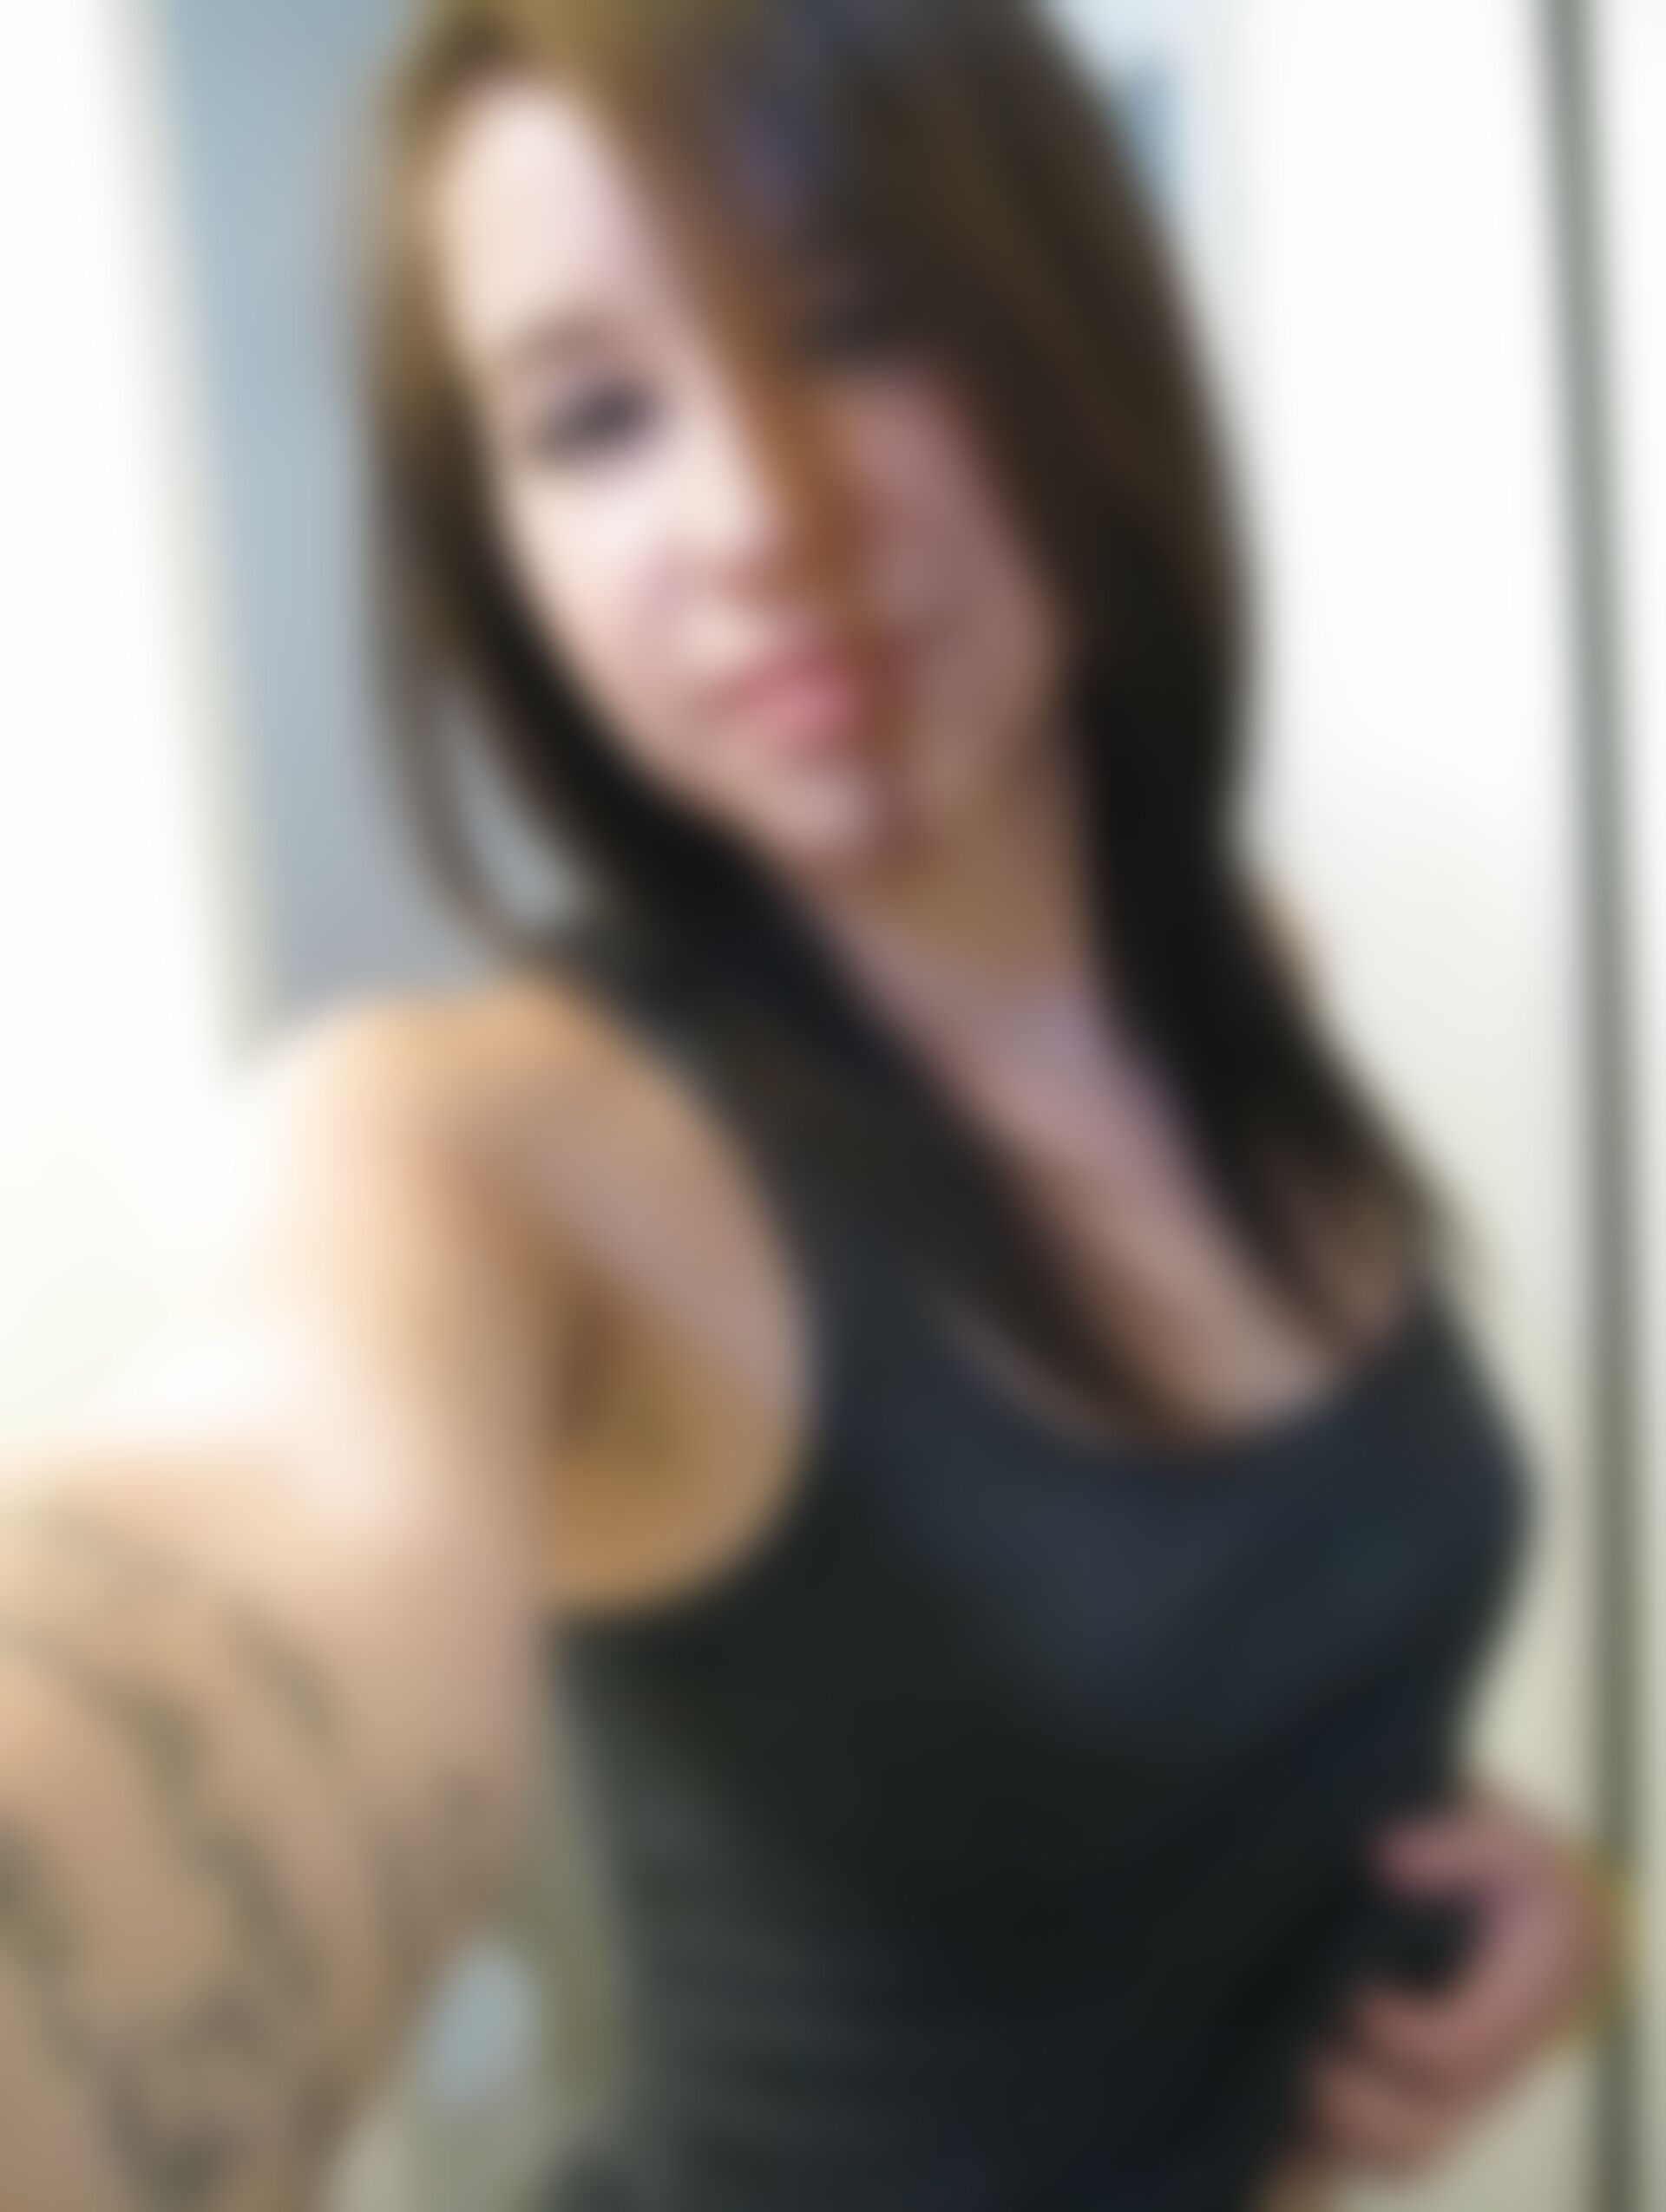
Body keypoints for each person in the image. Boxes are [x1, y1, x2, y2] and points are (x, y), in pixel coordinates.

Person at [0, 2, 1623, 2208]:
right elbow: (242, 1557)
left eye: (856, 324)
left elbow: (1225, 1711)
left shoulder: (1251, 970)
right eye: (592, 419)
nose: (756, 519)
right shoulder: (487, 1150)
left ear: (1075, 322)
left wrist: (1563, 1909)